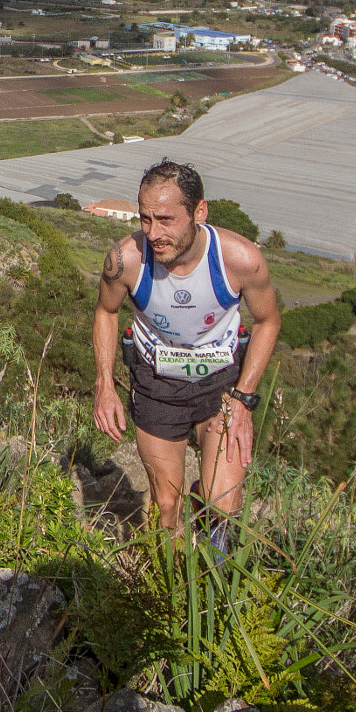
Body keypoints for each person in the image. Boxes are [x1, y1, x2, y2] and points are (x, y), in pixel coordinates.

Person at [91, 160, 280, 547]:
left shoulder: (240, 260)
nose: (154, 233)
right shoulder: (125, 261)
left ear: (199, 212)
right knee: (164, 504)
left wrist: (244, 398)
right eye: (145, 219)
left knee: (222, 504)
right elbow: (106, 312)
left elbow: (267, 322)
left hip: (222, 386)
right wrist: (104, 384)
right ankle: (172, 592)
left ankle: (215, 579)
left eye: (166, 219)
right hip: (157, 385)